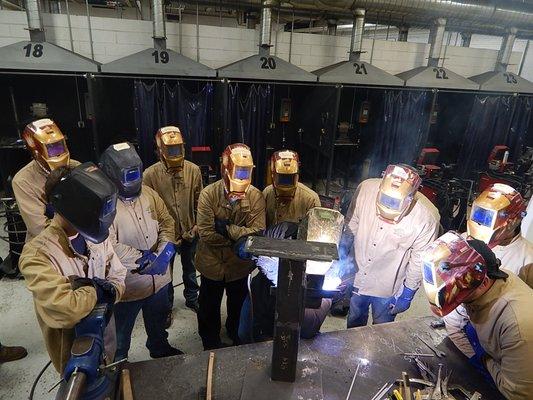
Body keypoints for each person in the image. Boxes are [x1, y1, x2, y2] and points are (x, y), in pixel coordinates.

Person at [18, 163, 126, 374]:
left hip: (107, 336)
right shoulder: (37, 255)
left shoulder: (94, 234)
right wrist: (99, 290)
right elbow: (65, 309)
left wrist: (108, 290)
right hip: (74, 356)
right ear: (66, 205)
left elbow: (118, 274)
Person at [422, 232, 533, 399]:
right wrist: (474, 353)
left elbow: (518, 394)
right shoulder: (478, 281)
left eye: (462, 297)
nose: (460, 303)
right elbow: (454, 321)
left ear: (485, 282)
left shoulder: (518, 326)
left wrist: (483, 359)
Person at [99, 143, 182, 360]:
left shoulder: (149, 194)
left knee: (158, 322)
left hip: (160, 280)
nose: (134, 182)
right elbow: (108, 244)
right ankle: (117, 365)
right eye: (129, 176)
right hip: (128, 286)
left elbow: (166, 221)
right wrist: (141, 260)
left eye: (136, 175)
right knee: (120, 336)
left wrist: (164, 250)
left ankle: (159, 348)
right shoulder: (105, 205)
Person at [344, 164, 440, 328]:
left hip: (388, 286)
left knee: (383, 330)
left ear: (410, 198)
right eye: (385, 199)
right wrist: (340, 259)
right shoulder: (366, 190)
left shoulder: (426, 217)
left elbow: (418, 259)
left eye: (395, 203)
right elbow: (350, 225)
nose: (388, 207)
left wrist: (408, 293)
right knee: (354, 321)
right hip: (358, 274)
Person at [443, 183, 533, 355]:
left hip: (497, 336)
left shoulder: (528, 259)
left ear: (512, 221)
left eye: (486, 217)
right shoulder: (463, 241)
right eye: (478, 214)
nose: (479, 223)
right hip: (457, 322)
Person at [195, 143, 265, 350]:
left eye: (245, 172)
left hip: (239, 267)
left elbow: (258, 232)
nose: (242, 178)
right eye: (238, 172)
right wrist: (239, 239)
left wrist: (227, 229)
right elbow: (206, 234)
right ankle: (210, 342)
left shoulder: (255, 196)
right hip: (211, 264)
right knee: (208, 307)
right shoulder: (208, 194)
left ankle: (236, 335)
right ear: (226, 170)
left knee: (238, 305)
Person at [143, 126, 203, 315]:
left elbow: (199, 201)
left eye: (178, 149)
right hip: (165, 236)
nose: (175, 154)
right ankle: (166, 306)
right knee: (165, 274)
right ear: (160, 150)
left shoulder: (193, 171)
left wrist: (196, 226)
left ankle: (192, 298)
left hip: (189, 231)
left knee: (190, 268)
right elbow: (148, 210)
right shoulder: (150, 175)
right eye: (171, 150)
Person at [12, 119, 80, 242]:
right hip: (48, 242)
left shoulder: (76, 167)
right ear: (37, 152)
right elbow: (38, 227)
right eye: (51, 149)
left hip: (80, 234)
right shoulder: (23, 181)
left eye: (59, 147)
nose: (58, 156)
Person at [262, 150, 321, 226]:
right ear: (273, 175)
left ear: (297, 176)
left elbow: (316, 230)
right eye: (282, 177)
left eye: (290, 178)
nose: (285, 184)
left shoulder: (311, 199)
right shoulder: (267, 193)